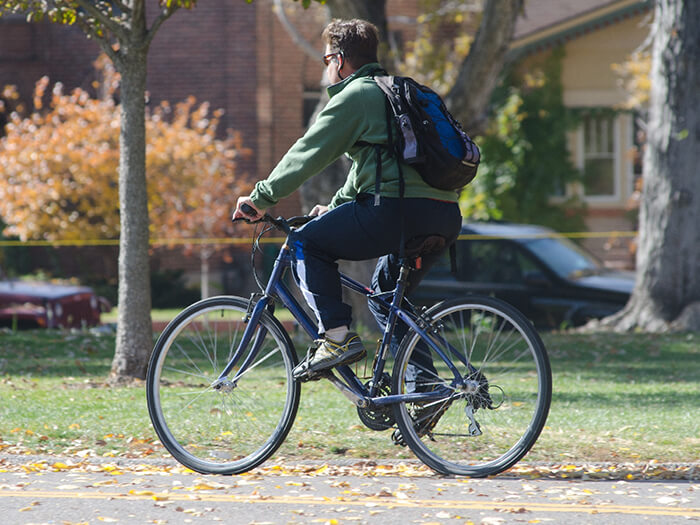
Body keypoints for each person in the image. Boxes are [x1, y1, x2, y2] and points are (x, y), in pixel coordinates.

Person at [232, 19, 461, 378]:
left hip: (395, 210)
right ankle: (423, 390)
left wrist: (261, 197)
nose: (326, 70)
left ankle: (336, 338)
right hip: (444, 213)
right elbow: (374, 164)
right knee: (387, 299)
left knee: (306, 242)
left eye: (326, 61)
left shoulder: (358, 95)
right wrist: (338, 206)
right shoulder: (401, 91)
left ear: (339, 60)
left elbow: (308, 152)